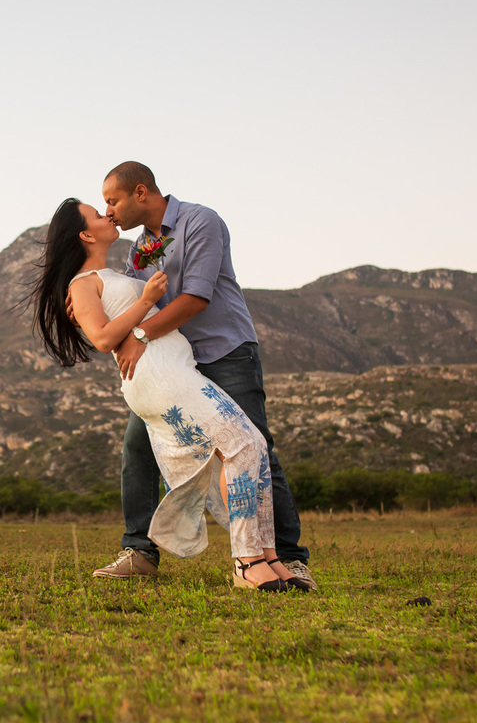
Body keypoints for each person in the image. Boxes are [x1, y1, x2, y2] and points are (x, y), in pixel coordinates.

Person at [31, 198, 287, 591]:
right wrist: (146, 303)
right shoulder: (83, 284)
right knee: (244, 444)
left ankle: (268, 559)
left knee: (246, 448)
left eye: (110, 204)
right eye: (98, 214)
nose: (107, 213)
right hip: (161, 378)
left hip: (174, 370)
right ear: (85, 234)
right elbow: (101, 338)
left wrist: (141, 315)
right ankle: (247, 562)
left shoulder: (117, 268)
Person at [91, 161, 316, 591]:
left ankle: (288, 558)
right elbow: (139, 305)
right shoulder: (140, 248)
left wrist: (139, 335)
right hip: (172, 365)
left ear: (141, 193)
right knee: (137, 449)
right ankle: (139, 551)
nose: (108, 212)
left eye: (112, 200)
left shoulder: (200, 221)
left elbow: (196, 298)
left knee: (254, 447)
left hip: (224, 353)